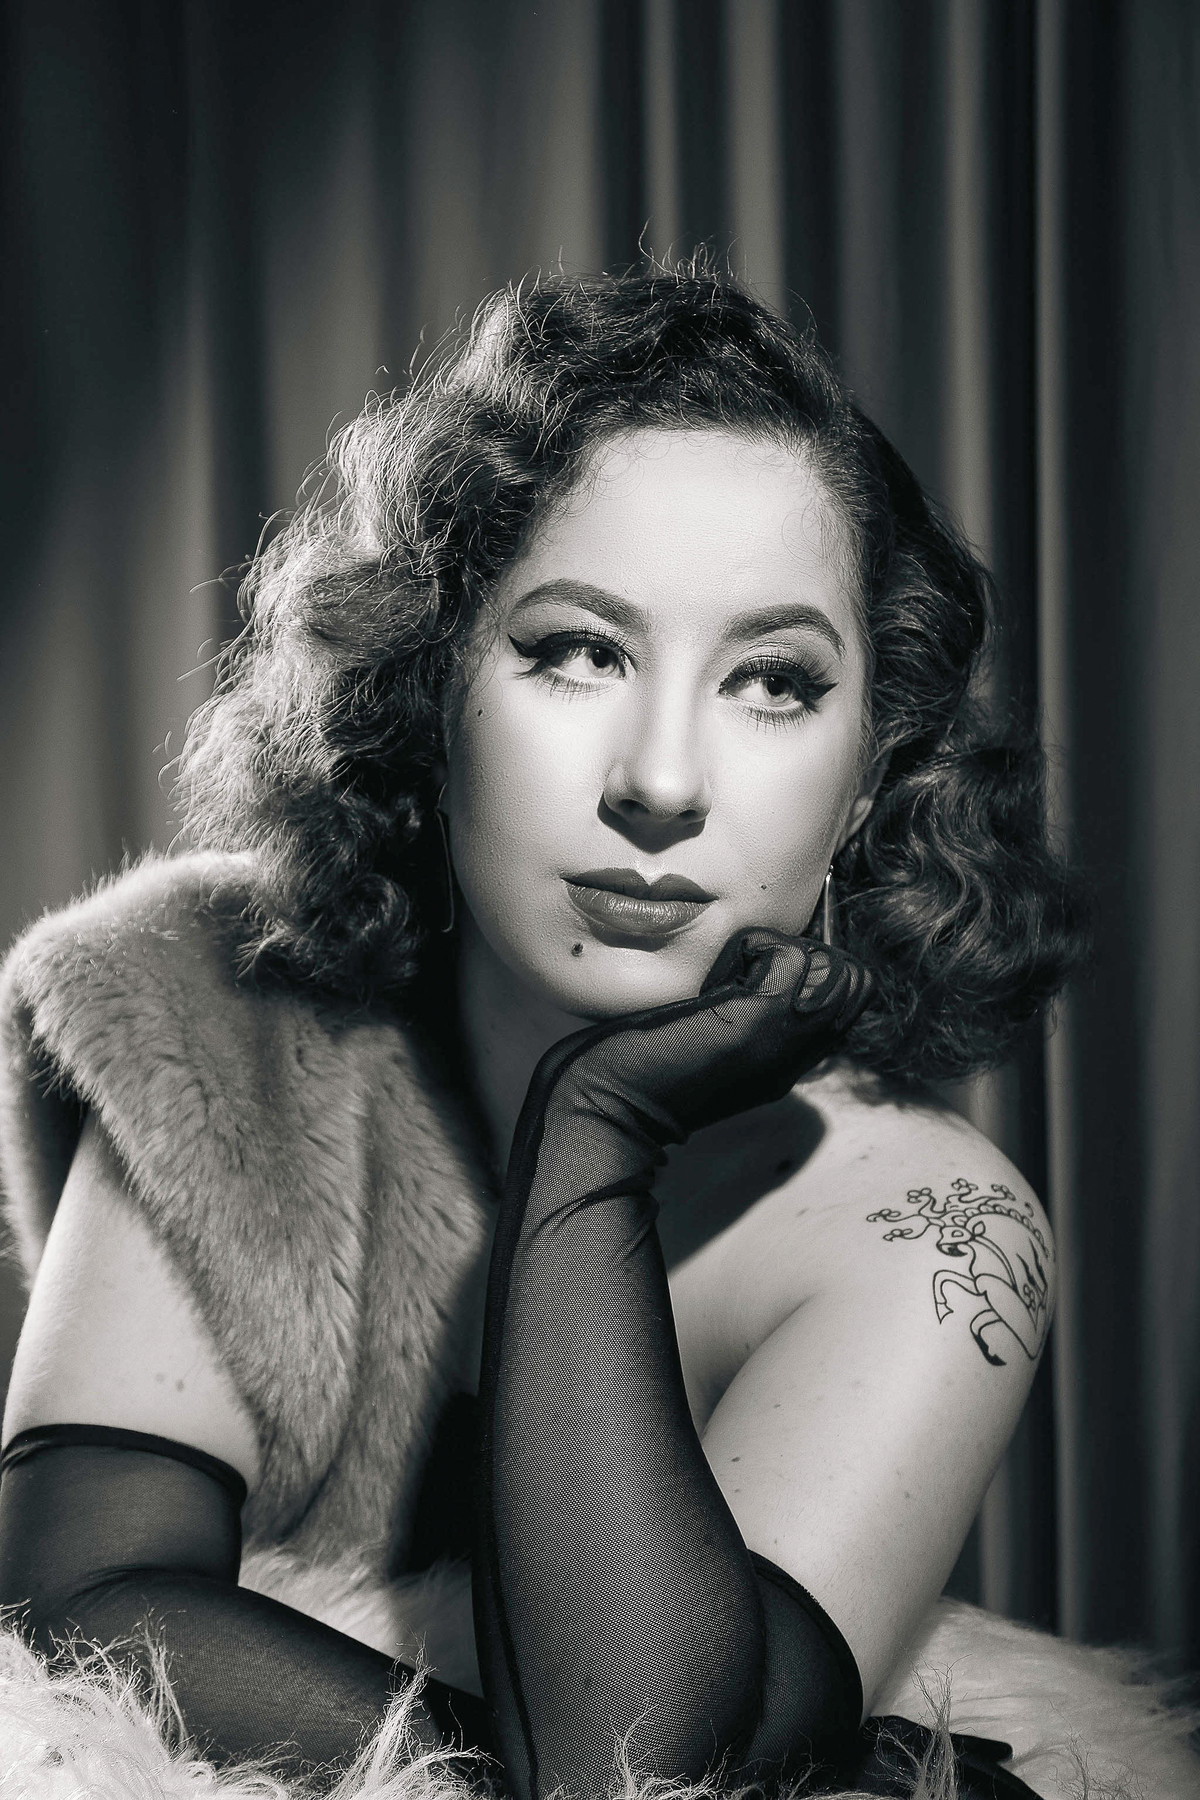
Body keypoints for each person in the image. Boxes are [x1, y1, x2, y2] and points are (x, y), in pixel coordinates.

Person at [0, 265, 1088, 1799]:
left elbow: (632, 1761)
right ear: (427, 696)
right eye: (580, 651)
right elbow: (75, 1609)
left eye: (774, 682)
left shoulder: (935, 1228)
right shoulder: (213, 1010)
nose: (661, 780)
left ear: (864, 782)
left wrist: (593, 1136)